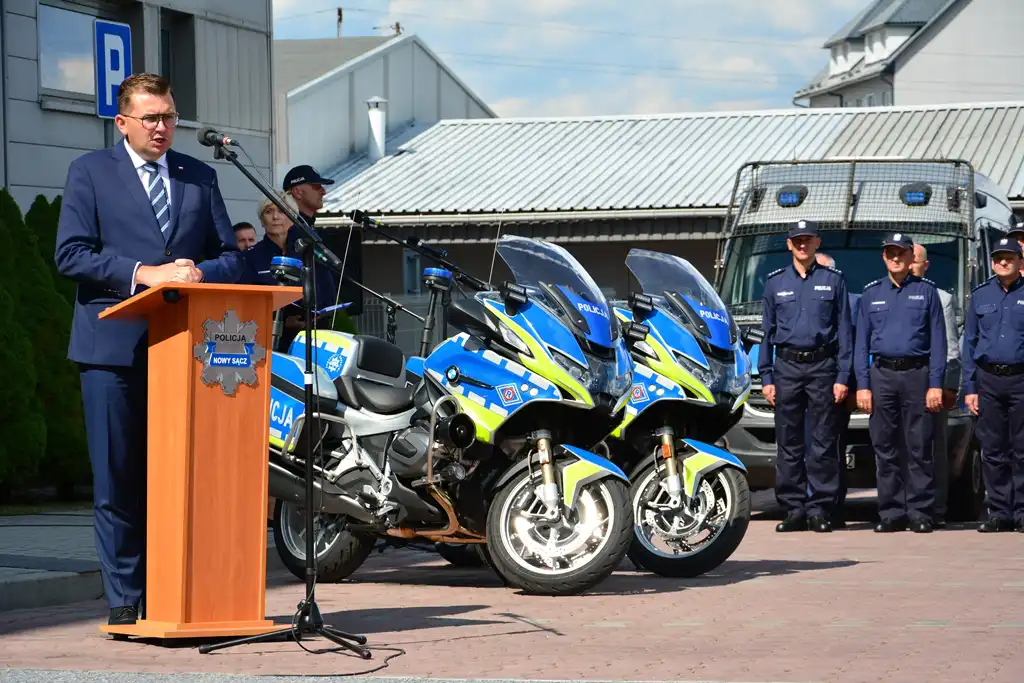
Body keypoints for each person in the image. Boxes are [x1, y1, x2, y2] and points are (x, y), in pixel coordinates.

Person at [54, 73, 243, 627]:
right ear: (122, 122)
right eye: (151, 118)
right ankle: (125, 598)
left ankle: (172, 590)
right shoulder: (90, 172)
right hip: (111, 350)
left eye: (169, 117)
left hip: (185, 350)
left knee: (178, 475)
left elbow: (231, 256)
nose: (162, 127)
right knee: (119, 478)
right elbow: (71, 254)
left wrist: (198, 272)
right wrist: (144, 273)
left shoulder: (198, 176)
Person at [759, 220, 852, 533]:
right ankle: (794, 509)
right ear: (789, 245)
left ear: (816, 243)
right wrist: (766, 377)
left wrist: (843, 375)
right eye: (797, 240)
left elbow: (845, 332)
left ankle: (819, 509)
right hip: (786, 370)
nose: (802, 245)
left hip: (822, 368)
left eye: (807, 240)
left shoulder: (833, 280)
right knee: (789, 443)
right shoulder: (775, 282)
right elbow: (767, 332)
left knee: (822, 442)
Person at [854, 233, 946, 533]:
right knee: (885, 446)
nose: (896, 258)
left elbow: (939, 342)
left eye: (901, 253)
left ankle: (920, 512)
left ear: (910, 257)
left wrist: (935, 383)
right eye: (890, 253)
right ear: (884, 257)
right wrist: (863, 385)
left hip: (917, 376)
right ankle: (891, 512)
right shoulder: (871, 294)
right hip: (882, 376)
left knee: (919, 446)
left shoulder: (927, 292)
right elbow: (860, 344)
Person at [961, 237, 1024, 533]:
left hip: (1021, 379)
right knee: (993, 448)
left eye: (1009, 257)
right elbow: (969, 343)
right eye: (999, 258)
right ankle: (999, 512)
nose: (1003, 262)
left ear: (1020, 261)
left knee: (1022, 449)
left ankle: (1022, 511)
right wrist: (970, 388)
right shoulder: (980, 295)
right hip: (988, 380)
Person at [243, 192, 337, 352]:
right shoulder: (249, 257)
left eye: (281, 211)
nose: (275, 217)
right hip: (264, 344)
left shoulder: (309, 254)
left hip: (309, 343)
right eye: (268, 211)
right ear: (261, 220)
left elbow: (327, 296)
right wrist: (282, 320)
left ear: (293, 217)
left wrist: (313, 318)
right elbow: (245, 304)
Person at [910, 243, 961, 528]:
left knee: (932, 447)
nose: (909, 264)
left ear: (925, 266)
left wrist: (948, 386)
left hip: (932, 383)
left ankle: (936, 508)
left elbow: (951, 347)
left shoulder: (941, 298)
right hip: (899, 381)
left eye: (915, 260)